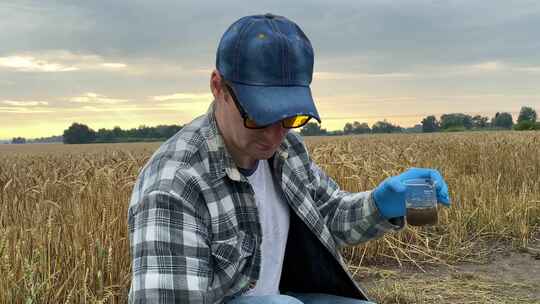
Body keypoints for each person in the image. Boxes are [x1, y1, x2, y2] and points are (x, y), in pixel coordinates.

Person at [127, 13, 450, 304]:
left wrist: (381, 204)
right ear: (218, 87)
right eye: (258, 116)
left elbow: (330, 217)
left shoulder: (287, 150)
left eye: (290, 117)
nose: (274, 134)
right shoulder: (175, 185)